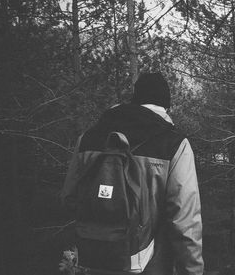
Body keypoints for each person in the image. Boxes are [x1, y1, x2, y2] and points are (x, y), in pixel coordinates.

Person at [61, 73, 204, 275]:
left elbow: (69, 197)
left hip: (91, 259)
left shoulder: (88, 138)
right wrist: (192, 271)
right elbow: (185, 222)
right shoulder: (175, 144)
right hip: (146, 263)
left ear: (135, 100)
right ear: (166, 106)